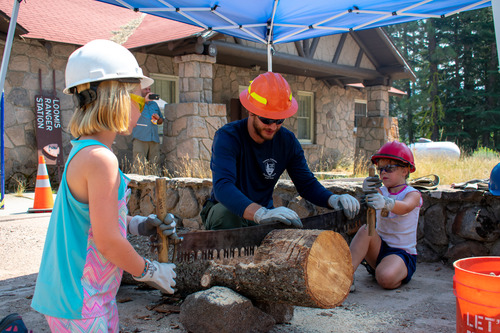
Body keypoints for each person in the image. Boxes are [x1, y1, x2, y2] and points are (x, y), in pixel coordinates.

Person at [31, 39, 177, 332]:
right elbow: (108, 241)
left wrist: (138, 224)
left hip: (86, 296)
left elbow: (92, 221)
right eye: (138, 100)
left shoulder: (84, 151)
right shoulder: (101, 160)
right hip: (81, 300)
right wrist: (151, 271)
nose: (142, 109)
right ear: (115, 98)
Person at [201, 71, 360, 230]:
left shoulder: (287, 141)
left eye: (279, 121)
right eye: (267, 120)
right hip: (226, 212)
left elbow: (306, 184)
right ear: (251, 111)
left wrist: (333, 199)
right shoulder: (227, 137)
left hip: (264, 213)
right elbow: (223, 187)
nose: (272, 126)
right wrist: (260, 213)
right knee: (225, 215)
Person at [350, 141, 422, 291]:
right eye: (380, 168)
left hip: (402, 253)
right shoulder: (383, 191)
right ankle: (345, 274)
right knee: (366, 230)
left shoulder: (412, 193)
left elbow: (406, 207)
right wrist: (369, 189)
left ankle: (391, 271)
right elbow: (376, 194)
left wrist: (387, 203)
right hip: (380, 247)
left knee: (385, 278)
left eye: (389, 168)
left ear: (405, 170)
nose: (383, 172)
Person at [131, 86, 164, 163]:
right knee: (139, 164)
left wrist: (157, 118)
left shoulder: (154, 104)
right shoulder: (136, 102)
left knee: (155, 164)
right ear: (140, 90)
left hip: (154, 138)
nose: (148, 91)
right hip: (140, 137)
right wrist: (143, 100)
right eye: (146, 89)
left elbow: (160, 121)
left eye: (149, 89)